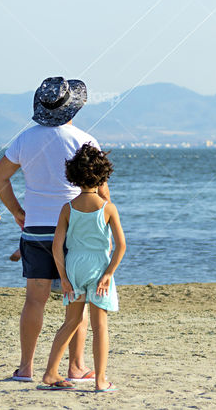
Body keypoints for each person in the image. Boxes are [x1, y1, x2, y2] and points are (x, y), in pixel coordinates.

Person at [0, 77, 109, 383]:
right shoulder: (85, 140)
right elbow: (101, 194)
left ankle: (26, 368)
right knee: (76, 302)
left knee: (34, 300)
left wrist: (17, 211)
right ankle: (76, 366)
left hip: (36, 229)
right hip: (75, 229)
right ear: (72, 108)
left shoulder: (25, 139)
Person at [39, 144, 126, 392]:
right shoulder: (108, 208)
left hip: (74, 266)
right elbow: (121, 246)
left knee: (71, 322)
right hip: (98, 267)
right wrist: (109, 274)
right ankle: (100, 380)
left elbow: (57, 247)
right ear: (103, 175)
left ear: (74, 176)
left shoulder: (67, 208)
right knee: (100, 327)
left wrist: (64, 277)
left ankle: (50, 373)